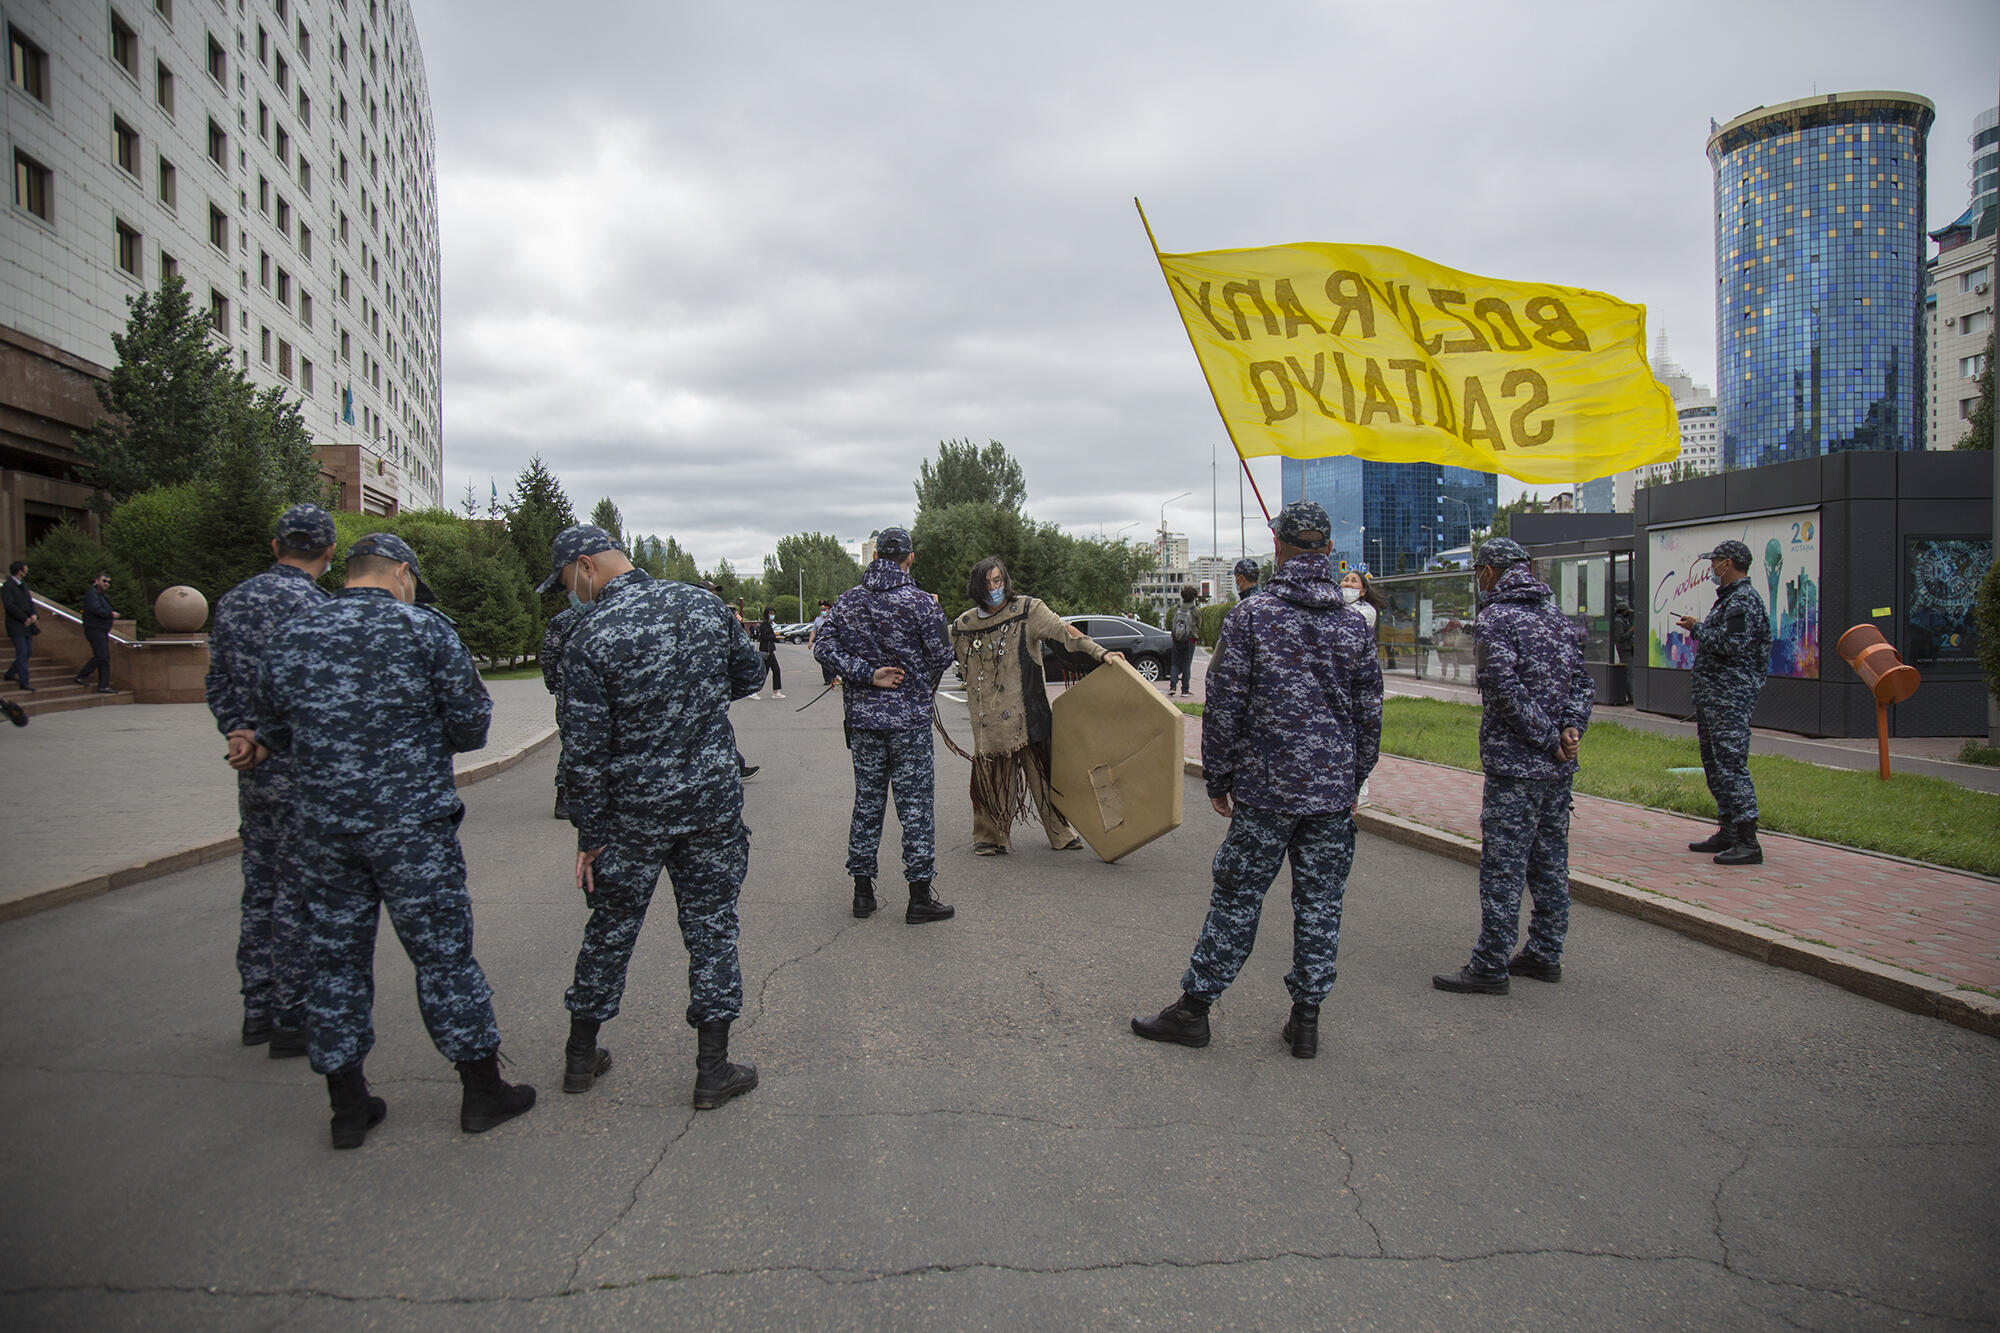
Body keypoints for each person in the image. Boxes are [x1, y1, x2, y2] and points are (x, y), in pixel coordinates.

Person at [253, 532, 534, 1148]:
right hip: (411, 828)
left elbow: (272, 728)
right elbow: (472, 725)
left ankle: (348, 1106)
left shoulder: (293, 635)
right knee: (443, 957)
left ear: (348, 571)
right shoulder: (425, 630)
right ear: (402, 573)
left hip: (324, 828)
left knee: (334, 960)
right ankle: (481, 1091)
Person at [1132, 501, 1381, 1059]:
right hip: (1331, 793)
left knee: (1238, 897)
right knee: (1320, 904)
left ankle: (1194, 1011)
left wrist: (1218, 777)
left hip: (1267, 790)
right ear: (1327, 550)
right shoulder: (1353, 624)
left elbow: (1224, 704)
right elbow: (1370, 714)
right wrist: (1355, 781)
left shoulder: (1253, 616)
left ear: (1278, 548)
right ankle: (1306, 1020)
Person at [546, 525, 765, 1109]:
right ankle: (712, 1070)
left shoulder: (588, 634)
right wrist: (694, 697)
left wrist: (590, 834)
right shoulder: (702, 605)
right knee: (712, 928)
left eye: (566, 581)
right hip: (709, 803)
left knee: (611, 927)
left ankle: (580, 1055)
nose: (569, 592)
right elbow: (750, 674)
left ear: (587, 566)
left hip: (632, 814)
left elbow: (583, 750)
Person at [1432, 538, 1595, 995]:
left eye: (1478, 572)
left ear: (1489, 571)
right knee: (1550, 862)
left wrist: (1547, 739)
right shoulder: (1557, 617)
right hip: (1557, 769)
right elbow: (1583, 682)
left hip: (1516, 766)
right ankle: (1545, 951)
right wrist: (1570, 729)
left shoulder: (1496, 618)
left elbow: (1501, 688)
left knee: (1503, 867)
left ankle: (1490, 964)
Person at [204, 505, 337, 1055]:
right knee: (298, 891)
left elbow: (218, 679)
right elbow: (321, 697)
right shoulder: (319, 610)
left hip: (253, 771)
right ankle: (291, 1015)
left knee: (259, 886)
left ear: (276, 546)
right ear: (329, 553)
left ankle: (256, 1008)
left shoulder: (234, 602)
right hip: (303, 770)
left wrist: (239, 730)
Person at [813, 527, 958, 921]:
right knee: (915, 807)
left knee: (867, 802)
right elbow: (942, 656)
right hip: (909, 722)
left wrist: (865, 673)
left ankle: (862, 894)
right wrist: (915, 675)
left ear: (875, 556)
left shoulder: (847, 602)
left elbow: (823, 647)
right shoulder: (921, 603)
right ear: (909, 558)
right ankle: (919, 897)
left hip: (864, 722)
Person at [947, 556, 1117, 857]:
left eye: (998, 580)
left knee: (1046, 777)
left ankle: (1060, 832)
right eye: (987, 583)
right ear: (976, 587)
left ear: (1005, 581)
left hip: (1029, 713)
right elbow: (933, 650)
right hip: (990, 725)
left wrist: (1101, 653)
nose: (994, 588)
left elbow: (1066, 633)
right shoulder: (965, 625)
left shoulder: (1028, 610)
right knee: (992, 779)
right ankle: (989, 836)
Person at [1675, 539, 1773, 866]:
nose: (1711, 568)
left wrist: (1697, 629)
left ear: (1727, 564)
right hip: (1715, 696)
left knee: (1730, 765)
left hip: (1730, 697)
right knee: (1715, 766)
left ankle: (1748, 840)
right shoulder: (1730, 599)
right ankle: (1729, 830)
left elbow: (1731, 644)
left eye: (1714, 562)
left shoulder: (1743, 601)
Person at [1340, 569, 1386, 805]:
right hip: (1343, 681)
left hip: (1361, 677)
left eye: (1354, 581)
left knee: (1362, 734)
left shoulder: (1366, 612)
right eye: (1345, 580)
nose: (1348, 584)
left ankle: (1361, 790)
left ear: (1363, 591)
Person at [541, 603, 589, 820]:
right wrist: (555, 685)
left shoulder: (609, 614)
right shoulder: (563, 620)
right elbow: (548, 655)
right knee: (572, 742)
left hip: (599, 690)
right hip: (569, 691)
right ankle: (564, 797)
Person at [73, 571, 116, 693]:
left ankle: (103, 685)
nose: (106, 584)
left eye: (108, 582)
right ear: (96, 581)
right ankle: (81, 676)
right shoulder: (92, 593)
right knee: (101, 656)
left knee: (104, 658)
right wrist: (110, 614)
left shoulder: (100, 594)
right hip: (94, 629)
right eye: (104, 581)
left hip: (101, 629)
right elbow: (95, 609)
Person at [3, 561, 36, 692]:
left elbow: (30, 602)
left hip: (27, 624)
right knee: (22, 652)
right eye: (25, 569)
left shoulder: (23, 585)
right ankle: (24, 682)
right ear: (19, 571)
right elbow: (10, 606)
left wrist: (34, 614)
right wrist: (24, 618)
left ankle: (10, 673)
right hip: (16, 624)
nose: (27, 571)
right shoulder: (7, 586)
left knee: (28, 651)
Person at [1167, 584, 1198, 697]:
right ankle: (1185, 690)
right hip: (1190, 640)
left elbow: (1171, 622)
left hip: (1176, 639)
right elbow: (1199, 625)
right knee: (1186, 664)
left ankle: (1172, 687)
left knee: (1175, 663)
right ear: (1193, 598)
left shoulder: (1176, 609)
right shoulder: (1195, 611)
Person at [752, 607, 786, 699]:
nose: (772, 615)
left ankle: (776, 691)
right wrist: (774, 635)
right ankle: (753, 691)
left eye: (773, 613)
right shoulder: (764, 624)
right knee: (764, 672)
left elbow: (770, 637)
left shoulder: (769, 624)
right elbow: (765, 636)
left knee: (776, 670)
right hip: (765, 651)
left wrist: (777, 638)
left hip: (770, 650)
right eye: (770, 613)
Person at [807, 599, 838, 687]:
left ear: (829, 609)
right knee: (824, 661)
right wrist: (810, 641)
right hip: (821, 643)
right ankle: (827, 679)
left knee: (833, 661)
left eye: (824, 609)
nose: (823, 611)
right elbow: (814, 631)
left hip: (832, 643)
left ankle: (833, 678)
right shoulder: (818, 620)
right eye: (821, 609)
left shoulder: (834, 618)